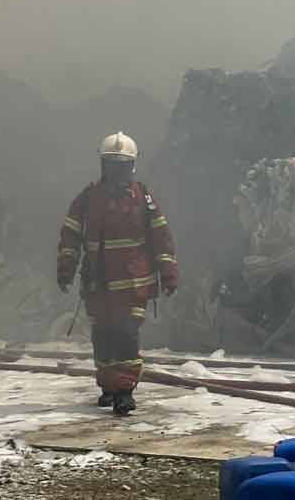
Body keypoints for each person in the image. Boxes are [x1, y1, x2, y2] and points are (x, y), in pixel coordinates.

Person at [56, 131, 179, 415]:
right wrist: (66, 269)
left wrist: (168, 272)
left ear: (131, 167)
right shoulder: (87, 199)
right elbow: (70, 237)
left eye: (121, 166)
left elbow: (161, 237)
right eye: (111, 165)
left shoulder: (143, 198)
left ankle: (124, 390)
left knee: (126, 335)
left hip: (134, 285)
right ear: (102, 166)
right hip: (98, 285)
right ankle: (109, 387)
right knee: (103, 337)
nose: (116, 172)